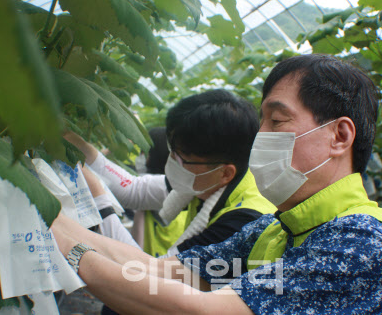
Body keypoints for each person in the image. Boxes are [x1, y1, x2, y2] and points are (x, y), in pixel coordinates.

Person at [52, 54, 382, 314]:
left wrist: (69, 252)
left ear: (340, 137)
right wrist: (53, 218)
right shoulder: (275, 230)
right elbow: (161, 272)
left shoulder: (363, 245)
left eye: (277, 121)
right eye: (261, 121)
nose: (259, 137)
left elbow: (198, 309)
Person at [64, 90, 276, 258]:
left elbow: (152, 276)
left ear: (225, 173)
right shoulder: (206, 182)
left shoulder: (242, 224)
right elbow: (135, 190)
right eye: (172, 150)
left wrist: (100, 200)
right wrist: (74, 143)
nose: (173, 161)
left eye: (182, 157)